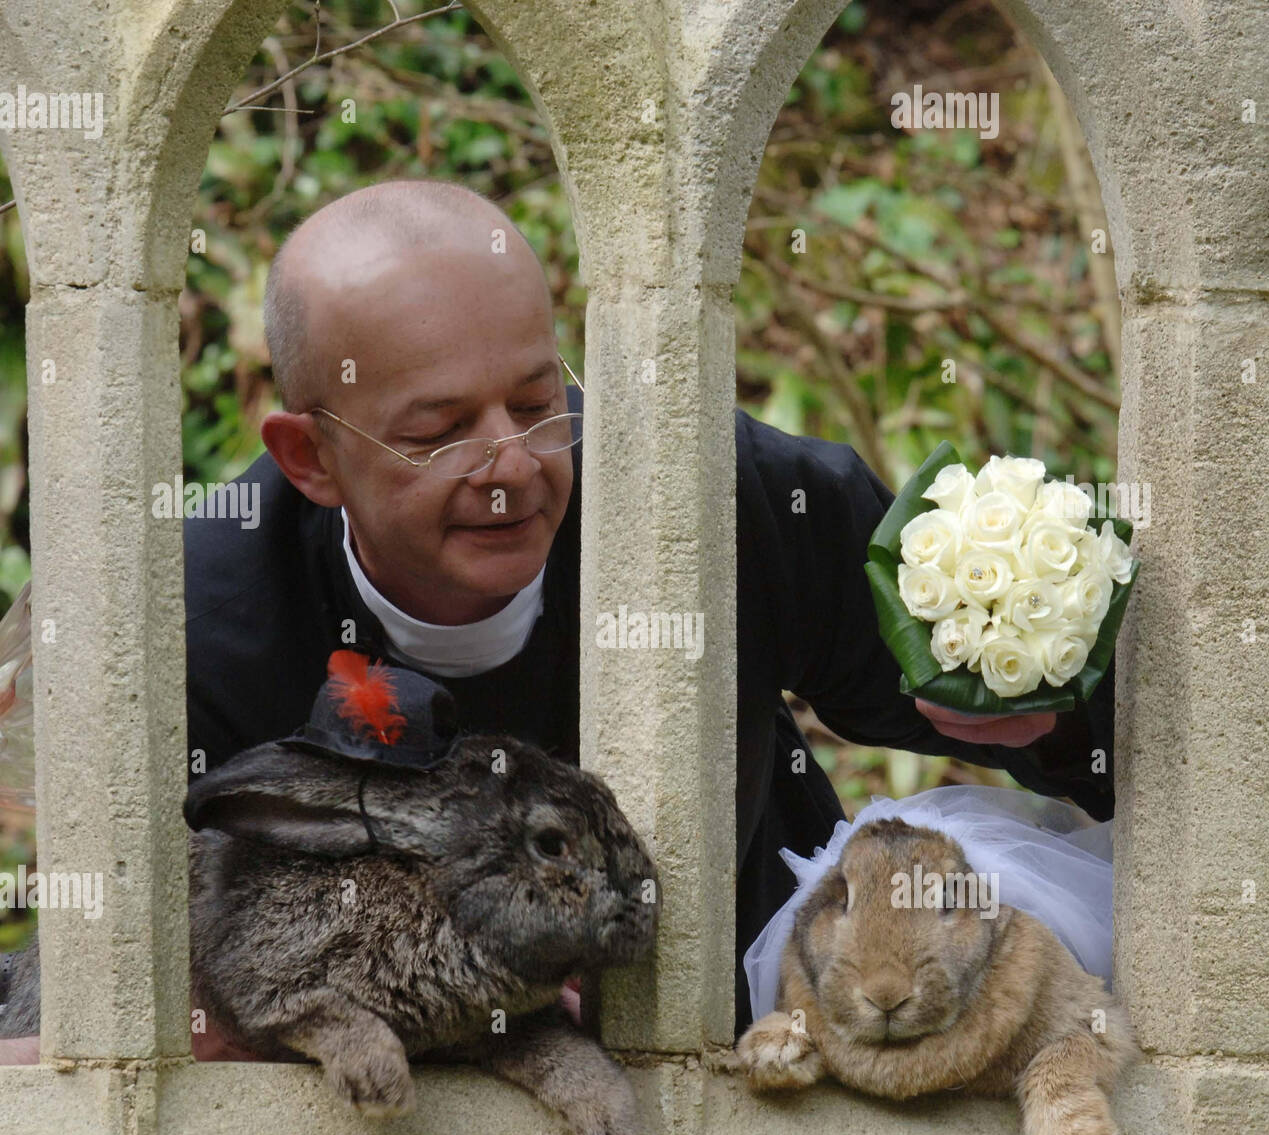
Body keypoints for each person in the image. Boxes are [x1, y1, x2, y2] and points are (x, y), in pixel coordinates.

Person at [0, 179, 1113, 1064]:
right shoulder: (198, 613)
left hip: (747, 1047)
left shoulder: (715, 490)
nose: (512, 468)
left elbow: (1088, 736)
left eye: (537, 403)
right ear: (310, 454)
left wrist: (1050, 719)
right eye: (438, 431)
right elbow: (156, 963)